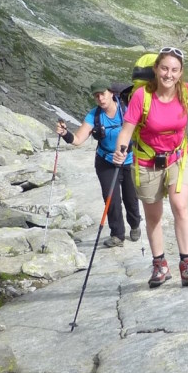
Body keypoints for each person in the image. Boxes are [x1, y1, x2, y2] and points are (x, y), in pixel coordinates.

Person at [111, 48, 188, 288]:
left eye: (174, 70)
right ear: (156, 69)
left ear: (181, 72)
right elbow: (126, 130)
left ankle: (187, 266)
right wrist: (120, 149)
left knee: (180, 205)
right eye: (164, 68)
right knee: (153, 217)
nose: (169, 74)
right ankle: (160, 266)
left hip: (179, 158)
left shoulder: (187, 93)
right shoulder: (141, 96)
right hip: (147, 161)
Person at [57, 81, 142, 250]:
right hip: (106, 161)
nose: (100, 98)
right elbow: (78, 139)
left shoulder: (126, 109)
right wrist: (65, 133)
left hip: (129, 160)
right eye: (96, 96)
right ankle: (117, 234)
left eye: (103, 94)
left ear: (111, 93)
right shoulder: (94, 115)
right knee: (111, 198)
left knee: (130, 197)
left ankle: (134, 224)